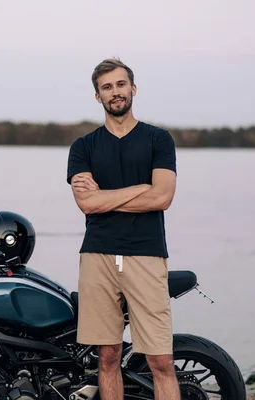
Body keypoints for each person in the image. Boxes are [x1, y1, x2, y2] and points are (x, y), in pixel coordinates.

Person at [66, 58, 180, 400]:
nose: (115, 92)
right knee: (108, 356)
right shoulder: (83, 147)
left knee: (161, 360)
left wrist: (106, 196)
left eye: (120, 84)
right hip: (97, 255)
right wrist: (139, 188)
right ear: (98, 97)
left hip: (146, 254)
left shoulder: (158, 139)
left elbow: (163, 197)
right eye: (106, 87)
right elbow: (87, 205)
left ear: (133, 89)